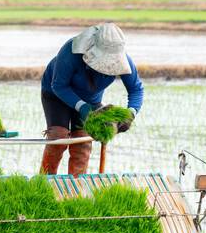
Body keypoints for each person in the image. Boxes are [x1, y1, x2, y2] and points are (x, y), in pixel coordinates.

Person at [40, 23, 143, 175]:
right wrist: (83, 108)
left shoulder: (124, 61)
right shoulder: (71, 52)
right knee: (58, 138)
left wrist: (131, 113)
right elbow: (59, 85)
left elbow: (136, 89)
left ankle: (75, 188)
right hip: (57, 95)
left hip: (91, 99)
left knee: (82, 143)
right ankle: (44, 182)